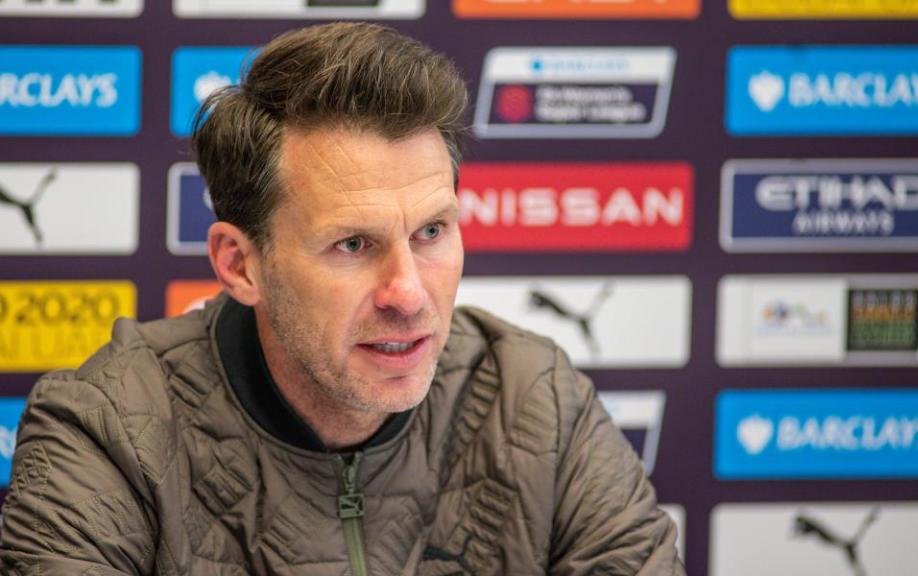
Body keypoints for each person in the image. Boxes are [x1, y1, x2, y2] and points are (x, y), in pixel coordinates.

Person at [0, 23, 684, 575]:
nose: (409, 294)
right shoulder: (108, 432)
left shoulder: (537, 400)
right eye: (353, 245)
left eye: (432, 232)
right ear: (241, 264)